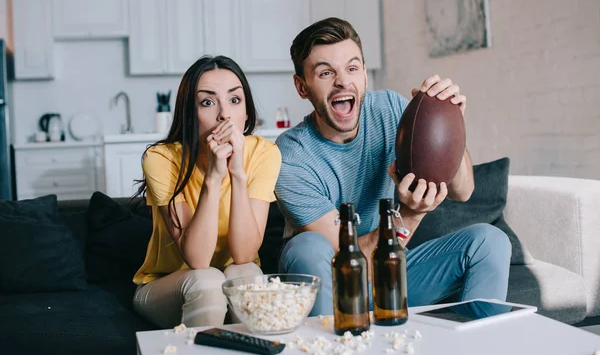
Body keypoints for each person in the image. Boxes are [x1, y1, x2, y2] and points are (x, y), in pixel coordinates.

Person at [275, 17, 511, 318]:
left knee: (490, 242)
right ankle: (332, 350)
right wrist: (411, 215)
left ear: (364, 75)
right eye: (325, 72)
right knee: (306, 247)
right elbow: (346, 260)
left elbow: (463, 191)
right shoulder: (292, 155)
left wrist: (451, 123)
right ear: (302, 86)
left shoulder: (389, 109)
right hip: (334, 282)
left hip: (391, 271)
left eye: (352, 68)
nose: (343, 81)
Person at [132, 55, 282, 329]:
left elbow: (244, 254)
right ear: (190, 114)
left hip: (232, 276)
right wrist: (214, 176)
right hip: (169, 286)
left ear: (246, 113)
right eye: (207, 102)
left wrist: (237, 173)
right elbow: (198, 260)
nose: (224, 114)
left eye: (235, 100)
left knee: (247, 274)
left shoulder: (264, 153)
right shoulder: (161, 158)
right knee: (207, 281)